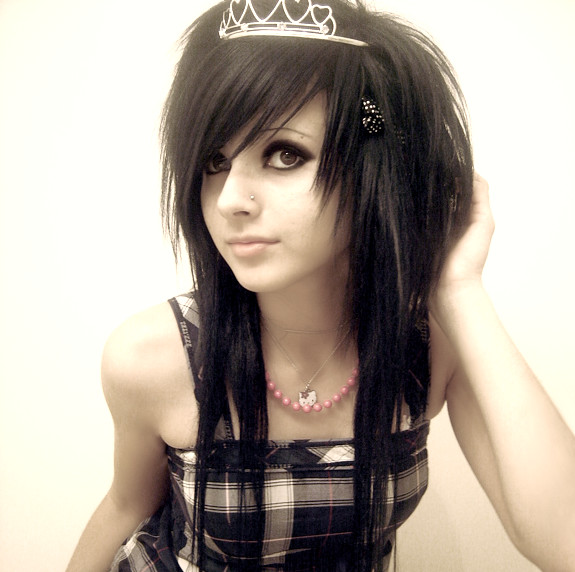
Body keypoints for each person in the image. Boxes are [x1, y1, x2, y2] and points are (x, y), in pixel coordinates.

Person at [66, 1, 575, 570]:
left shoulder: (427, 346)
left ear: (373, 171)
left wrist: (457, 288)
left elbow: (564, 542)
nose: (230, 199)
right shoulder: (152, 358)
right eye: (214, 160)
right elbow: (126, 505)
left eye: (285, 154)